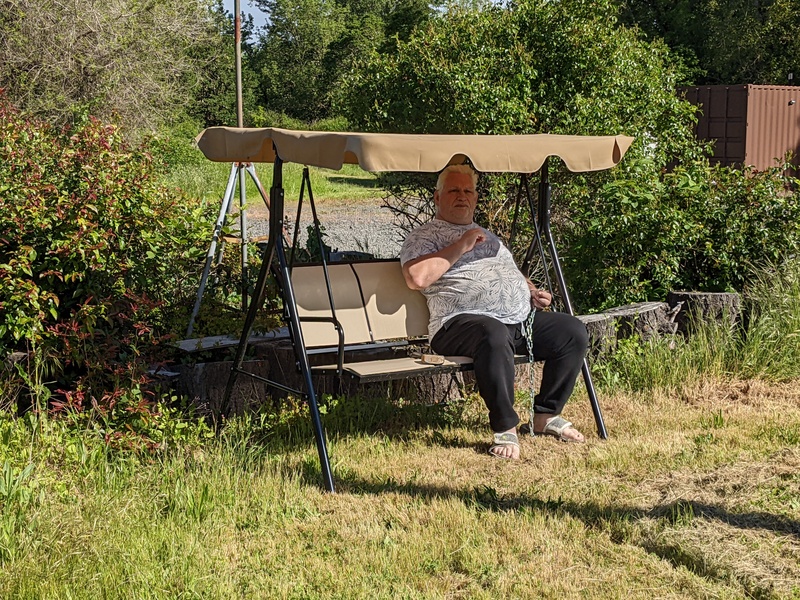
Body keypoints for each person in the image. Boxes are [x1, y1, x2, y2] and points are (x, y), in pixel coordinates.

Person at [399, 164, 589, 459]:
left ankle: (545, 416)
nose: (462, 196)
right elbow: (417, 278)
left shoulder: (488, 236)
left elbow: (508, 272)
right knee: (493, 332)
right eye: (453, 190)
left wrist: (531, 290)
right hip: (457, 325)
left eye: (468, 191)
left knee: (572, 331)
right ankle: (505, 427)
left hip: (514, 320)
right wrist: (461, 245)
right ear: (437, 198)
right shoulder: (424, 237)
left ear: (475, 198)